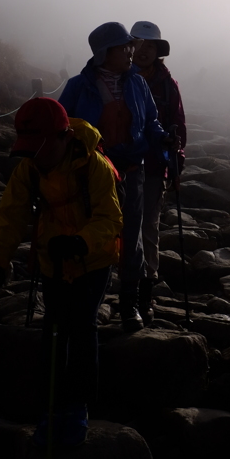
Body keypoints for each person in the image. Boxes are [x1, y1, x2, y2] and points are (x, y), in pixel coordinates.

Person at [0, 97, 122, 448]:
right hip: (51, 261)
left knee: (82, 327)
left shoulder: (95, 167)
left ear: (63, 136)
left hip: (93, 261)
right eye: (29, 148)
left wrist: (80, 243)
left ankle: (78, 407)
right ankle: (52, 406)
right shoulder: (29, 168)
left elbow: (111, 219)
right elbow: (11, 216)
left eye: (39, 147)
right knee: (54, 329)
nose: (34, 155)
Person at [57, 22, 172, 331]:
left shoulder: (137, 83)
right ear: (105, 53)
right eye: (124, 47)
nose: (130, 51)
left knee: (131, 236)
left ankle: (128, 304)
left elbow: (151, 121)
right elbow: (61, 128)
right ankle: (86, 302)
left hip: (131, 170)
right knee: (91, 231)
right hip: (92, 173)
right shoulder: (79, 86)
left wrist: (163, 141)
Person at [130, 21, 187, 323]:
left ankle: (143, 292)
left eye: (150, 46)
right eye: (139, 44)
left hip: (153, 166)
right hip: (116, 165)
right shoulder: (114, 77)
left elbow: (178, 124)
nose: (144, 50)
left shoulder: (168, 84)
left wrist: (176, 163)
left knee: (148, 226)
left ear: (158, 52)